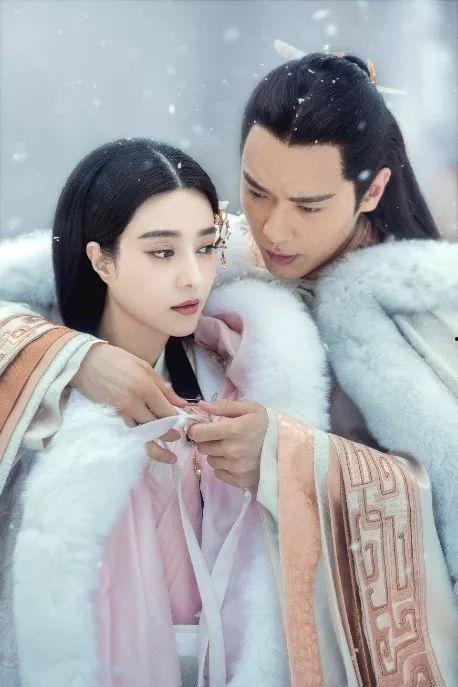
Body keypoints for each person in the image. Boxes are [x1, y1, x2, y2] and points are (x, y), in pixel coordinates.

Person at [1, 51, 458, 683]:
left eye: (309, 205)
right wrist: (71, 356)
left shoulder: (422, 314)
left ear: (372, 191)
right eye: (256, 191)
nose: (274, 229)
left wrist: (289, 458)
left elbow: (443, 508)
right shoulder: (222, 257)